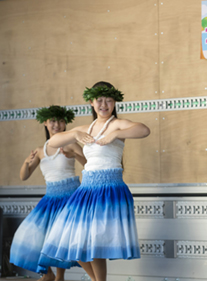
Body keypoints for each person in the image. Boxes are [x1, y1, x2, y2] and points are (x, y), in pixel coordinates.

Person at [40, 82, 150, 281]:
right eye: (99, 100)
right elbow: (53, 142)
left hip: (109, 188)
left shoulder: (116, 124)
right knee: (73, 240)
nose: (104, 104)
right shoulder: (86, 129)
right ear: (91, 102)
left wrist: (116, 134)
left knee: (95, 241)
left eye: (109, 100)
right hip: (87, 189)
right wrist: (74, 134)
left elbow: (143, 130)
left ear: (114, 102)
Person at [10, 105, 85, 281]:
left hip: (70, 196)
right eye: (52, 121)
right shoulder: (40, 150)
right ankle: (48, 273)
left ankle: (59, 277)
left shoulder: (70, 143)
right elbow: (24, 176)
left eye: (60, 121)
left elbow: (89, 163)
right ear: (45, 123)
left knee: (60, 238)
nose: (57, 125)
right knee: (34, 235)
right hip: (50, 197)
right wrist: (26, 163)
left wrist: (74, 155)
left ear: (65, 123)